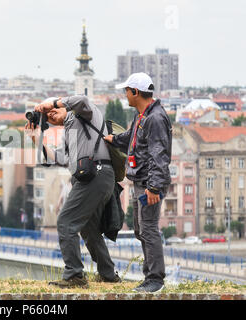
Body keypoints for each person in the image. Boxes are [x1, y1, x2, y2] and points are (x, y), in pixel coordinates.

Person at [25, 96, 120, 288]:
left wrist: (51, 104)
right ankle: (108, 274)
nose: (51, 115)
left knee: (66, 222)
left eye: (54, 111)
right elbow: (59, 158)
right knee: (89, 229)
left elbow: (82, 100)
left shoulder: (86, 115)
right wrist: (37, 140)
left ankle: (74, 275)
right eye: (48, 116)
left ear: (64, 107)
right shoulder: (69, 133)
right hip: (90, 179)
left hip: (97, 175)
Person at [104, 72, 172, 293]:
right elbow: (131, 139)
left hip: (149, 184)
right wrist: (113, 139)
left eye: (127, 90)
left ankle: (156, 279)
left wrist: (154, 187)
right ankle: (149, 276)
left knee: (149, 229)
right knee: (140, 230)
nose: (125, 94)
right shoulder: (142, 116)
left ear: (135, 92)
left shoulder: (155, 118)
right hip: (140, 180)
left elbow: (158, 156)